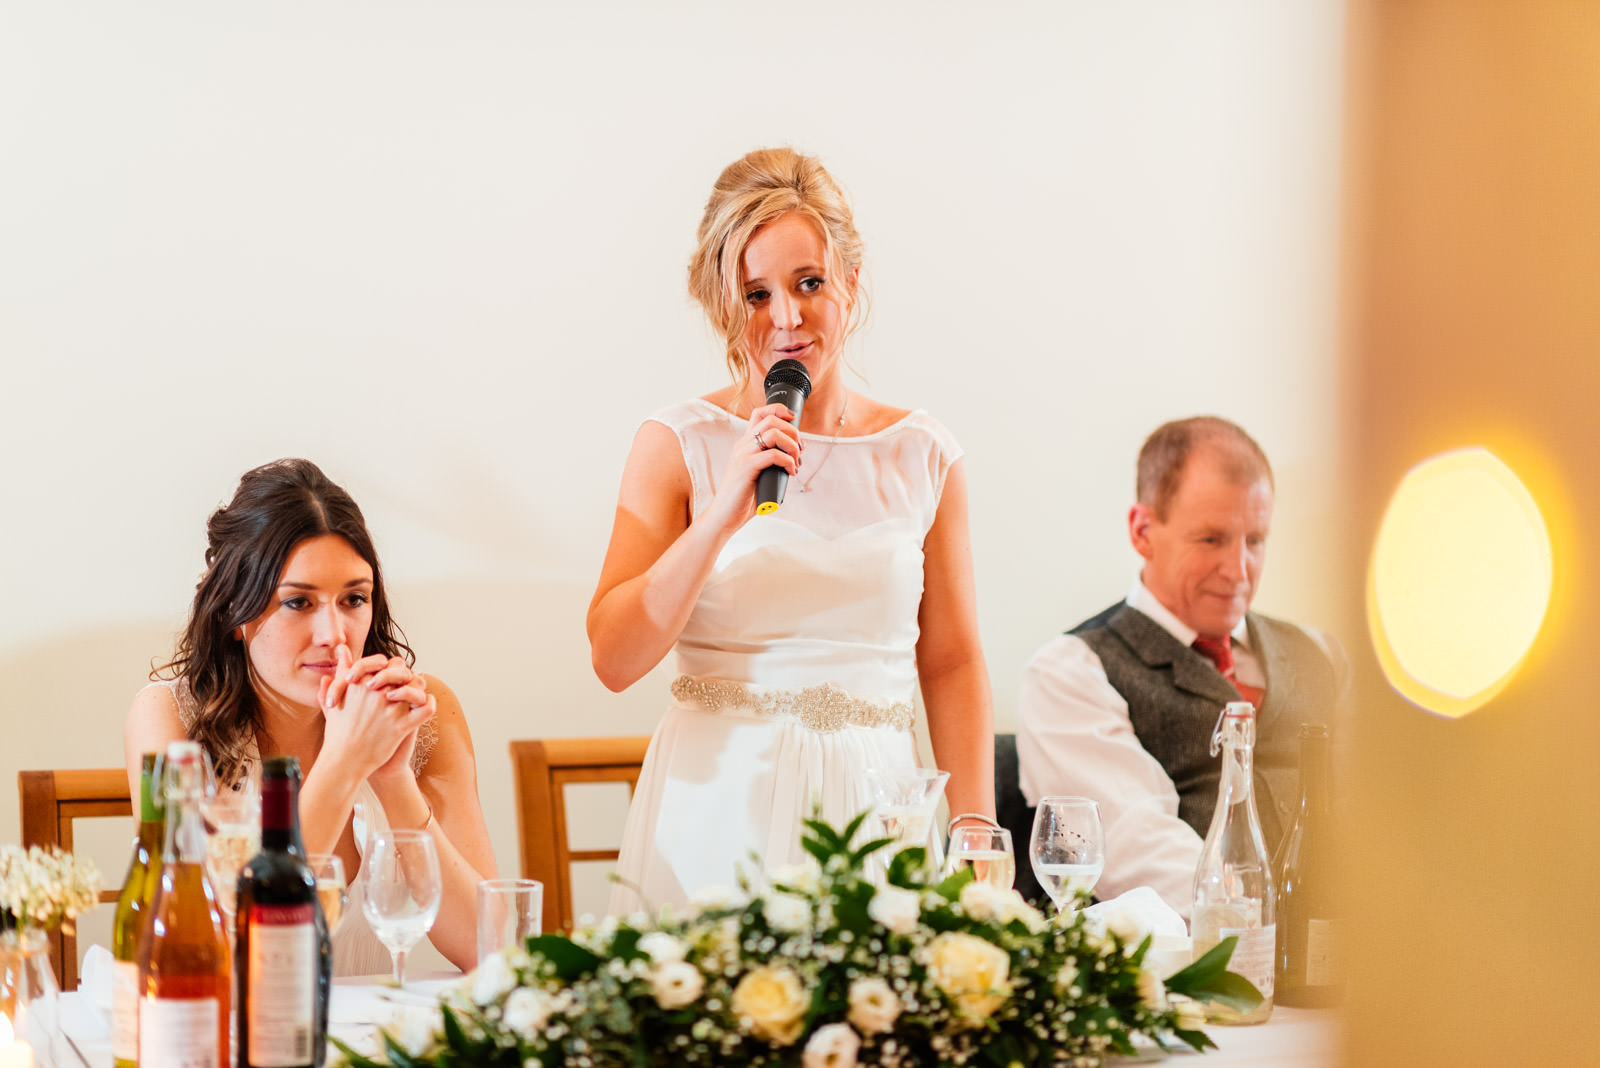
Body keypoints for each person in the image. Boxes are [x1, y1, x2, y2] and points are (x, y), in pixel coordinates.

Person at [589, 147, 995, 912]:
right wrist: (720, 515)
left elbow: (951, 662)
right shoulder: (676, 443)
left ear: (850, 279)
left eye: (809, 283)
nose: (786, 318)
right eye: (755, 294)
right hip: (716, 812)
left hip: (880, 806)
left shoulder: (925, 453)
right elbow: (613, 658)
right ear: (721, 305)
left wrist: (975, 838)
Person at [124, 459, 497, 973]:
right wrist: (345, 762)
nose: (334, 633)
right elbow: (219, 950)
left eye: (354, 599)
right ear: (235, 609)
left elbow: (492, 949)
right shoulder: (167, 718)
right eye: (298, 602)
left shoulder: (423, 712)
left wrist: (392, 781)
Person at [1016, 417, 1346, 919]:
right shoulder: (1071, 673)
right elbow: (1135, 846)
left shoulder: (1323, 655)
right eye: (1211, 540)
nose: (1238, 571)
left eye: (1254, 540)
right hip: (1191, 968)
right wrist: (1258, 923)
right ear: (1143, 530)